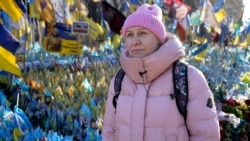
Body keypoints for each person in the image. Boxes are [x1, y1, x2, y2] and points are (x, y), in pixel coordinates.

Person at [102, 3, 220, 141]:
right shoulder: (119, 80)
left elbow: (206, 136)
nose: (135, 41)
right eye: (129, 35)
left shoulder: (188, 79)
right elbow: (109, 132)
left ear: (159, 38)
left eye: (143, 33)